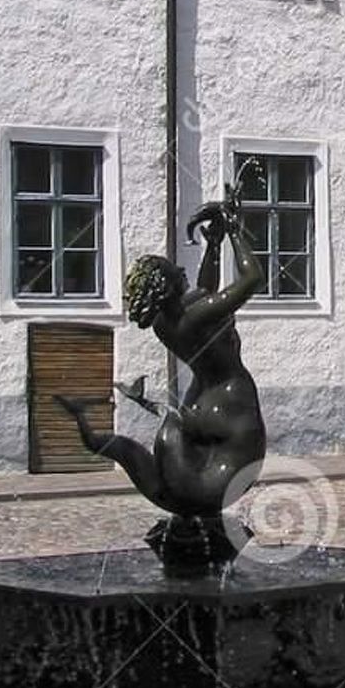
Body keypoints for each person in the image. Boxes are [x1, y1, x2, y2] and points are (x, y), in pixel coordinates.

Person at [58, 193, 269, 525]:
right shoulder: (195, 316)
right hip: (231, 407)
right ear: (166, 286)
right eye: (173, 269)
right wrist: (233, 228)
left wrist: (213, 246)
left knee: (185, 458)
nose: (180, 268)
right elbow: (252, 279)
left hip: (198, 404)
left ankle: (187, 518)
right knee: (222, 475)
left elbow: (206, 291)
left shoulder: (165, 322)